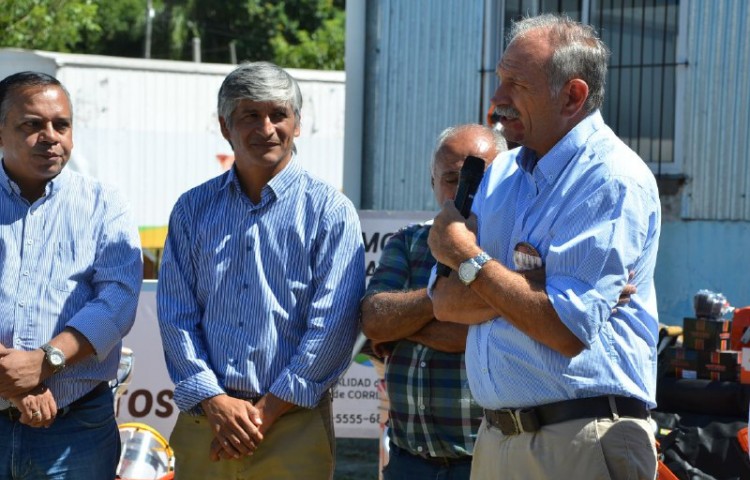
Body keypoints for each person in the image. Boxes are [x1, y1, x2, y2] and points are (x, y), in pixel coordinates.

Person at [427, 14, 661, 480]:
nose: (497, 98)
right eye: (500, 79)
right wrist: (527, 288)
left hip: (580, 441)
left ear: (572, 96)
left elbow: (564, 328)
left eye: (516, 84)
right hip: (497, 441)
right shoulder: (500, 173)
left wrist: (468, 258)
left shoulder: (611, 179)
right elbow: (445, 302)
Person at [157, 61, 365, 480]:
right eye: (250, 114)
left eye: (278, 114)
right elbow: (176, 315)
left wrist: (265, 412)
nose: (266, 128)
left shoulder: (330, 211)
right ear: (225, 126)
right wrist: (215, 402)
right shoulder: (192, 209)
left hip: (294, 426)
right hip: (206, 423)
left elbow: (334, 326)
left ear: (297, 124)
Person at [0, 71, 143, 478]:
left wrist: (45, 362)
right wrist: (15, 381)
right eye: (32, 124)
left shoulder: (104, 204)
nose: (50, 137)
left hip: (76, 429)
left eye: (61, 125)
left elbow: (117, 301)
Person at [361, 124, 505, 480]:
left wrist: (402, 329)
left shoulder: (510, 251)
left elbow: (473, 337)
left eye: (480, 179)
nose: (466, 190)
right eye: (452, 179)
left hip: (484, 461)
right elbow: (374, 320)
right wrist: (440, 299)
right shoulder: (409, 242)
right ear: (433, 184)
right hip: (408, 460)